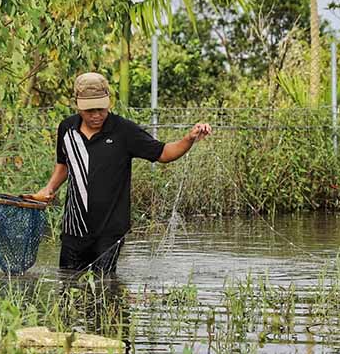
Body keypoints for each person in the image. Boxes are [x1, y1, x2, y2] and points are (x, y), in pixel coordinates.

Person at [31, 72, 212, 274]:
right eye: (89, 110)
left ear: (109, 102)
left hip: (109, 231)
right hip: (75, 228)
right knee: (68, 283)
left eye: (101, 108)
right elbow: (64, 164)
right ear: (77, 105)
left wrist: (189, 138)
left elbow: (164, 153)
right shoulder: (67, 129)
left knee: (104, 286)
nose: (96, 115)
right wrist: (48, 188)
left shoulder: (124, 131)